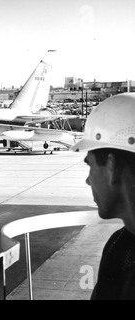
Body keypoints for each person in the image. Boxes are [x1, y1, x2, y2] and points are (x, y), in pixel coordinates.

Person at [71, 92, 135, 300]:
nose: (88, 181)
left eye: (89, 165)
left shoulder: (120, 247)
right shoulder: (120, 242)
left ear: (111, 167)